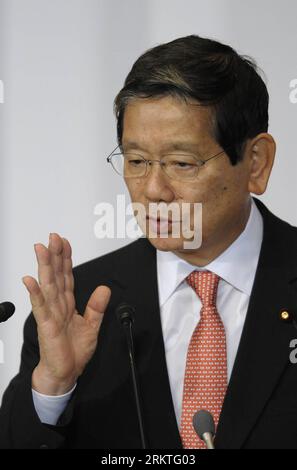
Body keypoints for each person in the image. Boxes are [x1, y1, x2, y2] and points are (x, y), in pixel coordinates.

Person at [1, 34, 297, 450]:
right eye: (136, 161)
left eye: (181, 163)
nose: (153, 189)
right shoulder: (81, 306)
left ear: (255, 163)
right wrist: (54, 385)